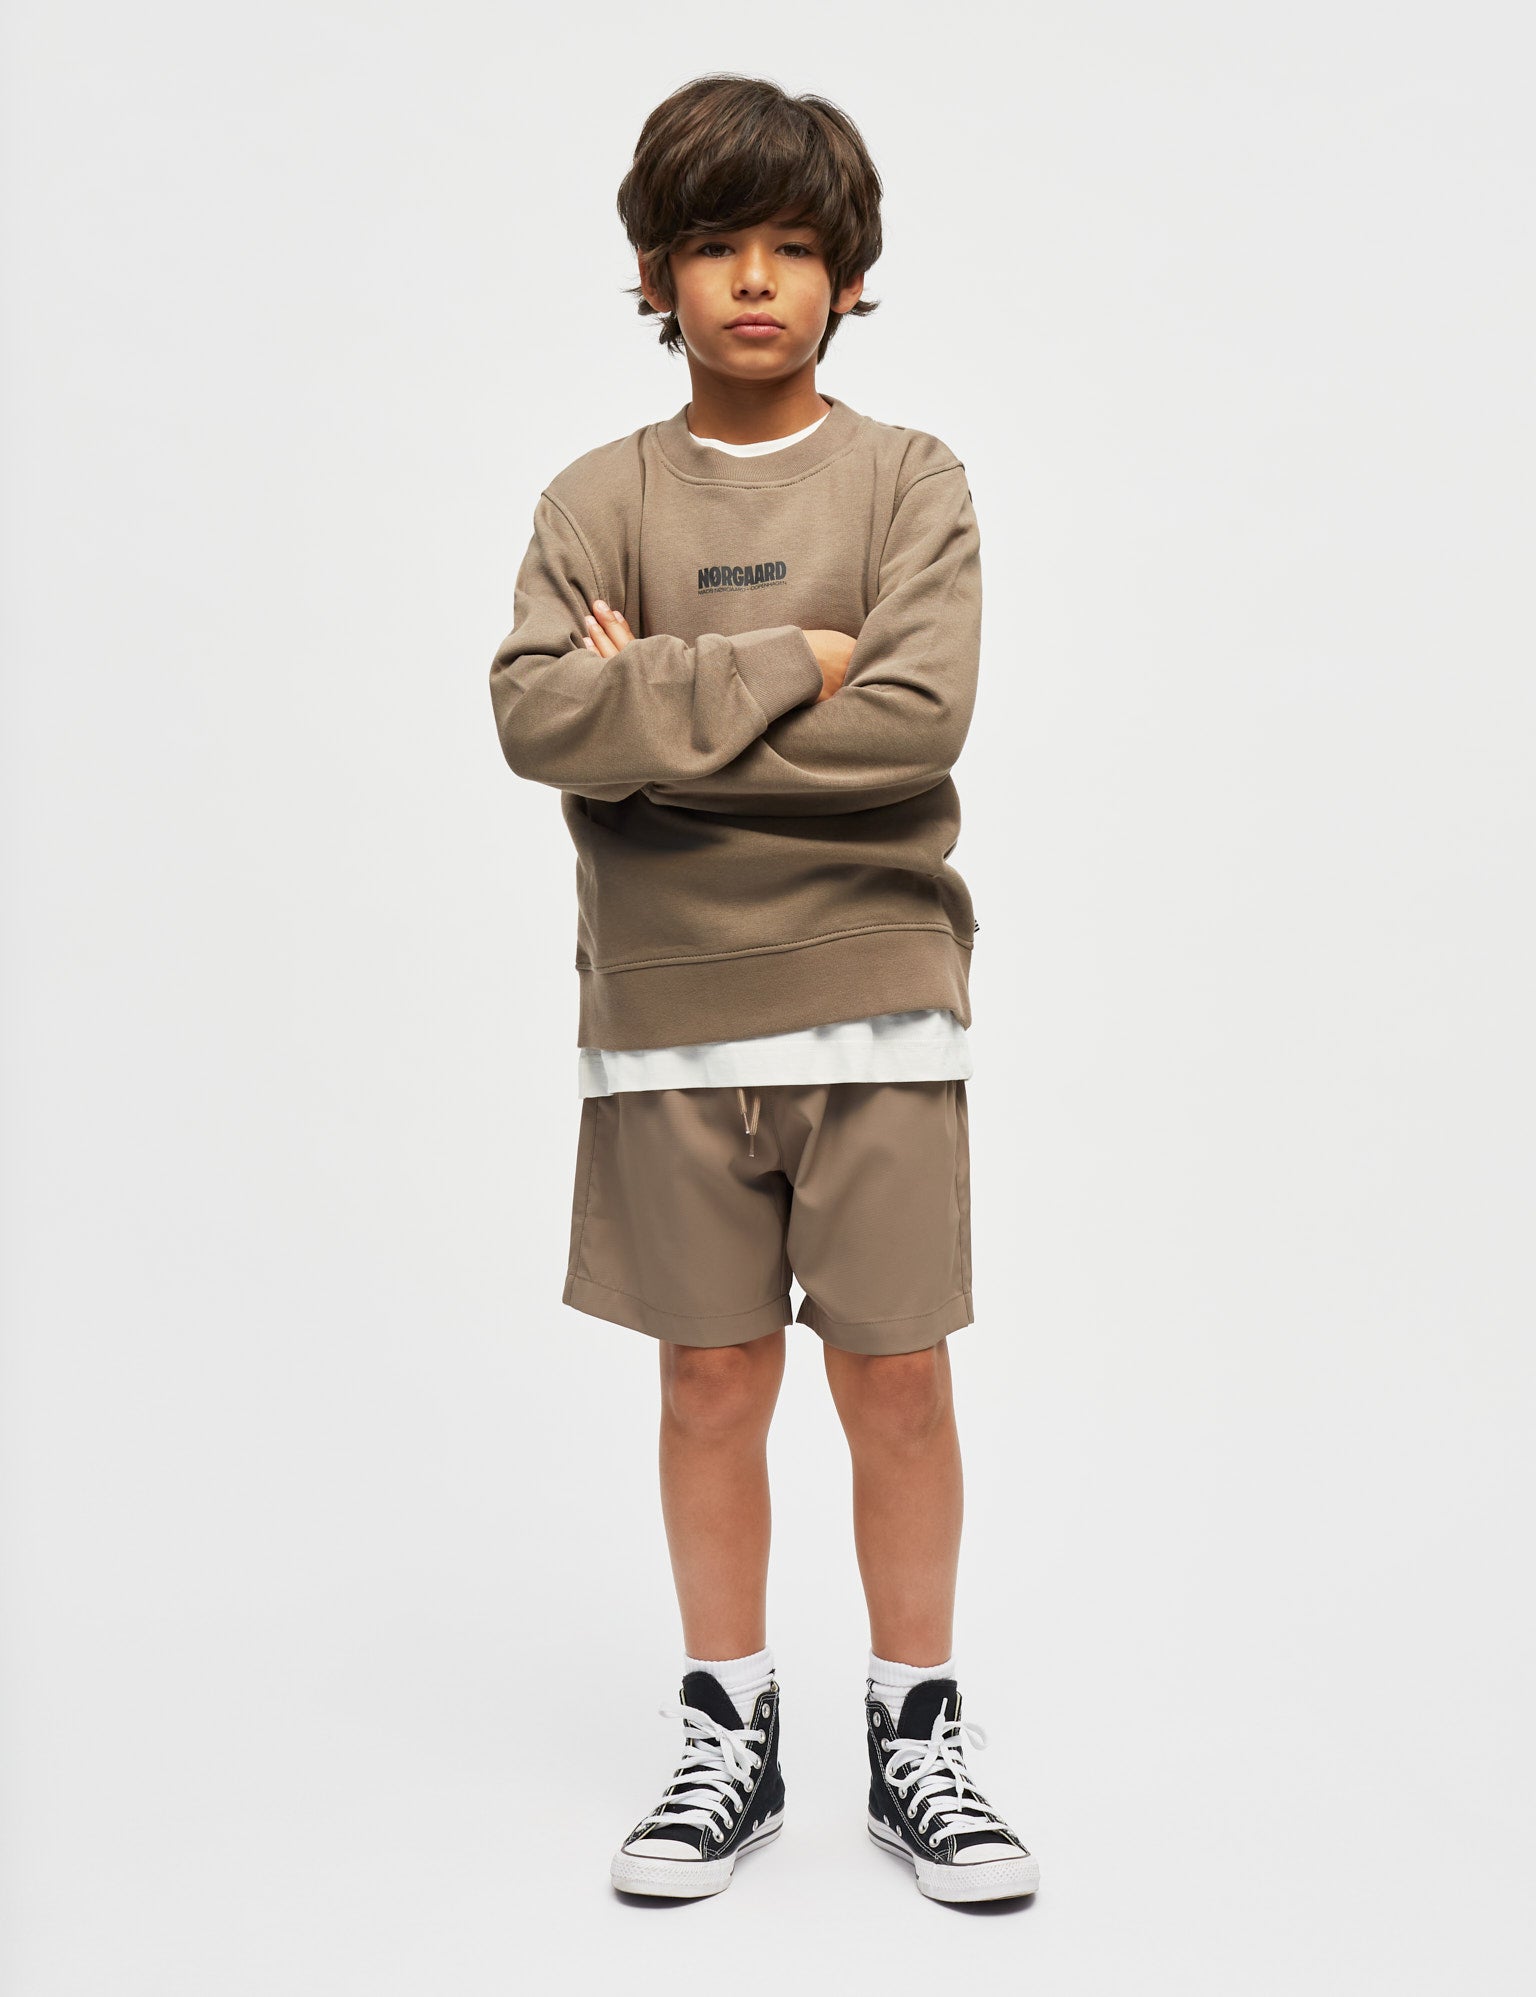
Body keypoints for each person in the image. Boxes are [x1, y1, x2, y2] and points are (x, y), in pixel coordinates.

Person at [488, 73, 1039, 1906]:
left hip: (880, 996)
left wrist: (657, 717)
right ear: (657, 273)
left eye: (793, 247)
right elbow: (536, 716)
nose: (752, 279)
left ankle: (918, 1735)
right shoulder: (598, 497)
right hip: (665, 1011)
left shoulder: (910, 481)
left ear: (846, 277)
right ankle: (728, 1730)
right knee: (712, 1381)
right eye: (716, 244)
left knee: (898, 1381)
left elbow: (918, 725)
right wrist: (796, 657)